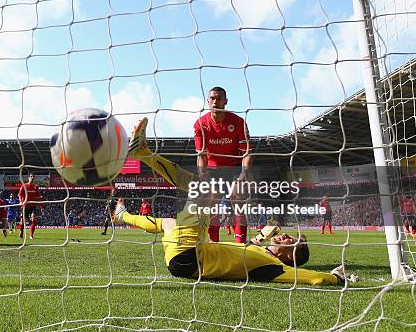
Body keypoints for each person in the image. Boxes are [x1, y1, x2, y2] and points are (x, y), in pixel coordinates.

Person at [112, 198, 357, 285]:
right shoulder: (259, 251)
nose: (286, 237)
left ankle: (144, 158)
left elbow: (312, 278)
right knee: (168, 222)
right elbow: (248, 245)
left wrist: (336, 278)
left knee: (197, 202)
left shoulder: (273, 268)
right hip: (187, 254)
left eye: (291, 242)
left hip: (189, 262)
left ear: (290, 256)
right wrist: (264, 235)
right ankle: (124, 216)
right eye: (289, 235)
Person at [194, 87, 252, 243]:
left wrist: (242, 177)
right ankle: (214, 244)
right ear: (208, 101)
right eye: (212, 98)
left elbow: (247, 154)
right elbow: (201, 156)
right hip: (213, 169)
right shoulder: (200, 124)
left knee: (237, 197)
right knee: (211, 199)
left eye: (219, 98)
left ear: (225, 101)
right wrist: (203, 176)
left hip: (233, 167)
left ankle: (241, 245)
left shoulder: (238, 122)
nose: (215, 101)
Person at [18, 173, 43, 240]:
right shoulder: (24, 185)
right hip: (25, 205)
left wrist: (41, 205)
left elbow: (38, 196)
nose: (32, 177)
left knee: (34, 219)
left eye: (33, 177)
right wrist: (20, 201)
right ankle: (21, 231)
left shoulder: (36, 186)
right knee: (22, 221)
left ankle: (31, 235)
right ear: (28, 178)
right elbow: (20, 195)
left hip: (33, 205)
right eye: (31, 176)